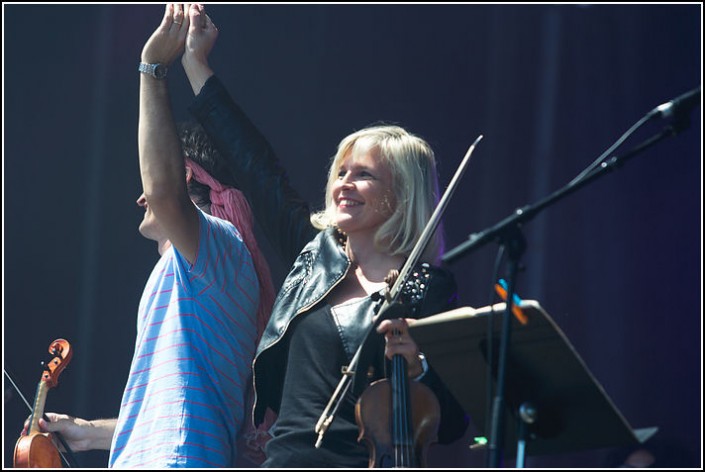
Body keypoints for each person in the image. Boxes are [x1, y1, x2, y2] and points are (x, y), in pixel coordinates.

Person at [174, 4, 469, 467]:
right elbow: (256, 166)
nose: (343, 183)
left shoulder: (426, 289)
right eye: (341, 171)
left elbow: (452, 422)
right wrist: (196, 66)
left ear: (403, 195)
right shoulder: (315, 256)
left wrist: (418, 367)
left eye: (364, 175)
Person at [22, 5, 275, 467]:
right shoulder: (196, 267)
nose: (142, 198)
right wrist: (92, 432)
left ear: (186, 177)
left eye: (156, 183)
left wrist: (153, 69)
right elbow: (174, 403)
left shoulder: (222, 246)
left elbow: (163, 195)